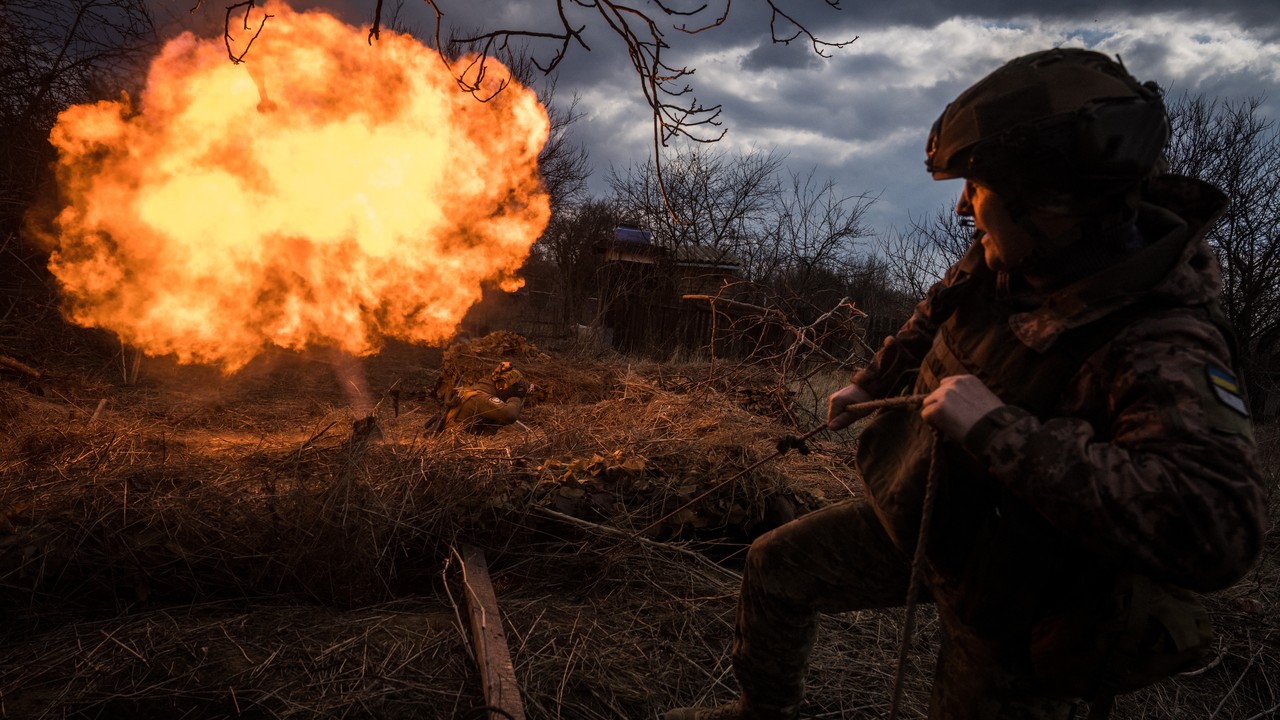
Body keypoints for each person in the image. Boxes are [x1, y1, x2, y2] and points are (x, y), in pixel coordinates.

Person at [664, 48, 1268, 720]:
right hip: (930, 516)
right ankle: (762, 707)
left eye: (979, 188)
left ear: (1050, 206)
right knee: (778, 564)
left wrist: (999, 431)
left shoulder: (1163, 341)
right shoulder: (1007, 256)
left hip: (1022, 602)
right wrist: (872, 380)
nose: (964, 207)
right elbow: (934, 315)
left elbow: (1218, 533)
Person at [432, 362, 532, 434]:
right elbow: (510, 415)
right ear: (500, 384)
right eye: (511, 388)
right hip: (455, 445)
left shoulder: (472, 391)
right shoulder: (481, 398)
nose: (511, 390)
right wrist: (515, 398)